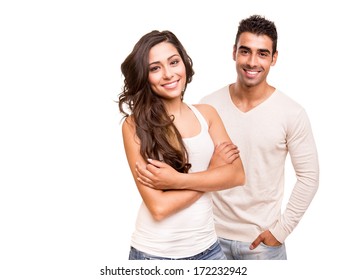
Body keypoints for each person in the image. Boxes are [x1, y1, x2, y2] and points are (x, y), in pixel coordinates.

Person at [137, 15, 320, 260]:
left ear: (274, 58)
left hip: (261, 245)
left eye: (263, 54)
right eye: (245, 51)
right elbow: (193, 170)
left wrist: (281, 231)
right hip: (206, 240)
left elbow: (309, 177)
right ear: (234, 52)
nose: (252, 62)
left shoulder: (292, 113)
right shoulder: (208, 106)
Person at [118, 30, 245, 260]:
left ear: (184, 63)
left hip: (209, 249)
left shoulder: (207, 114)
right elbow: (159, 208)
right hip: (154, 255)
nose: (168, 74)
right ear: (144, 76)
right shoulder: (134, 125)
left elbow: (237, 175)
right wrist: (212, 174)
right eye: (155, 68)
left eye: (174, 62)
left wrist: (177, 181)